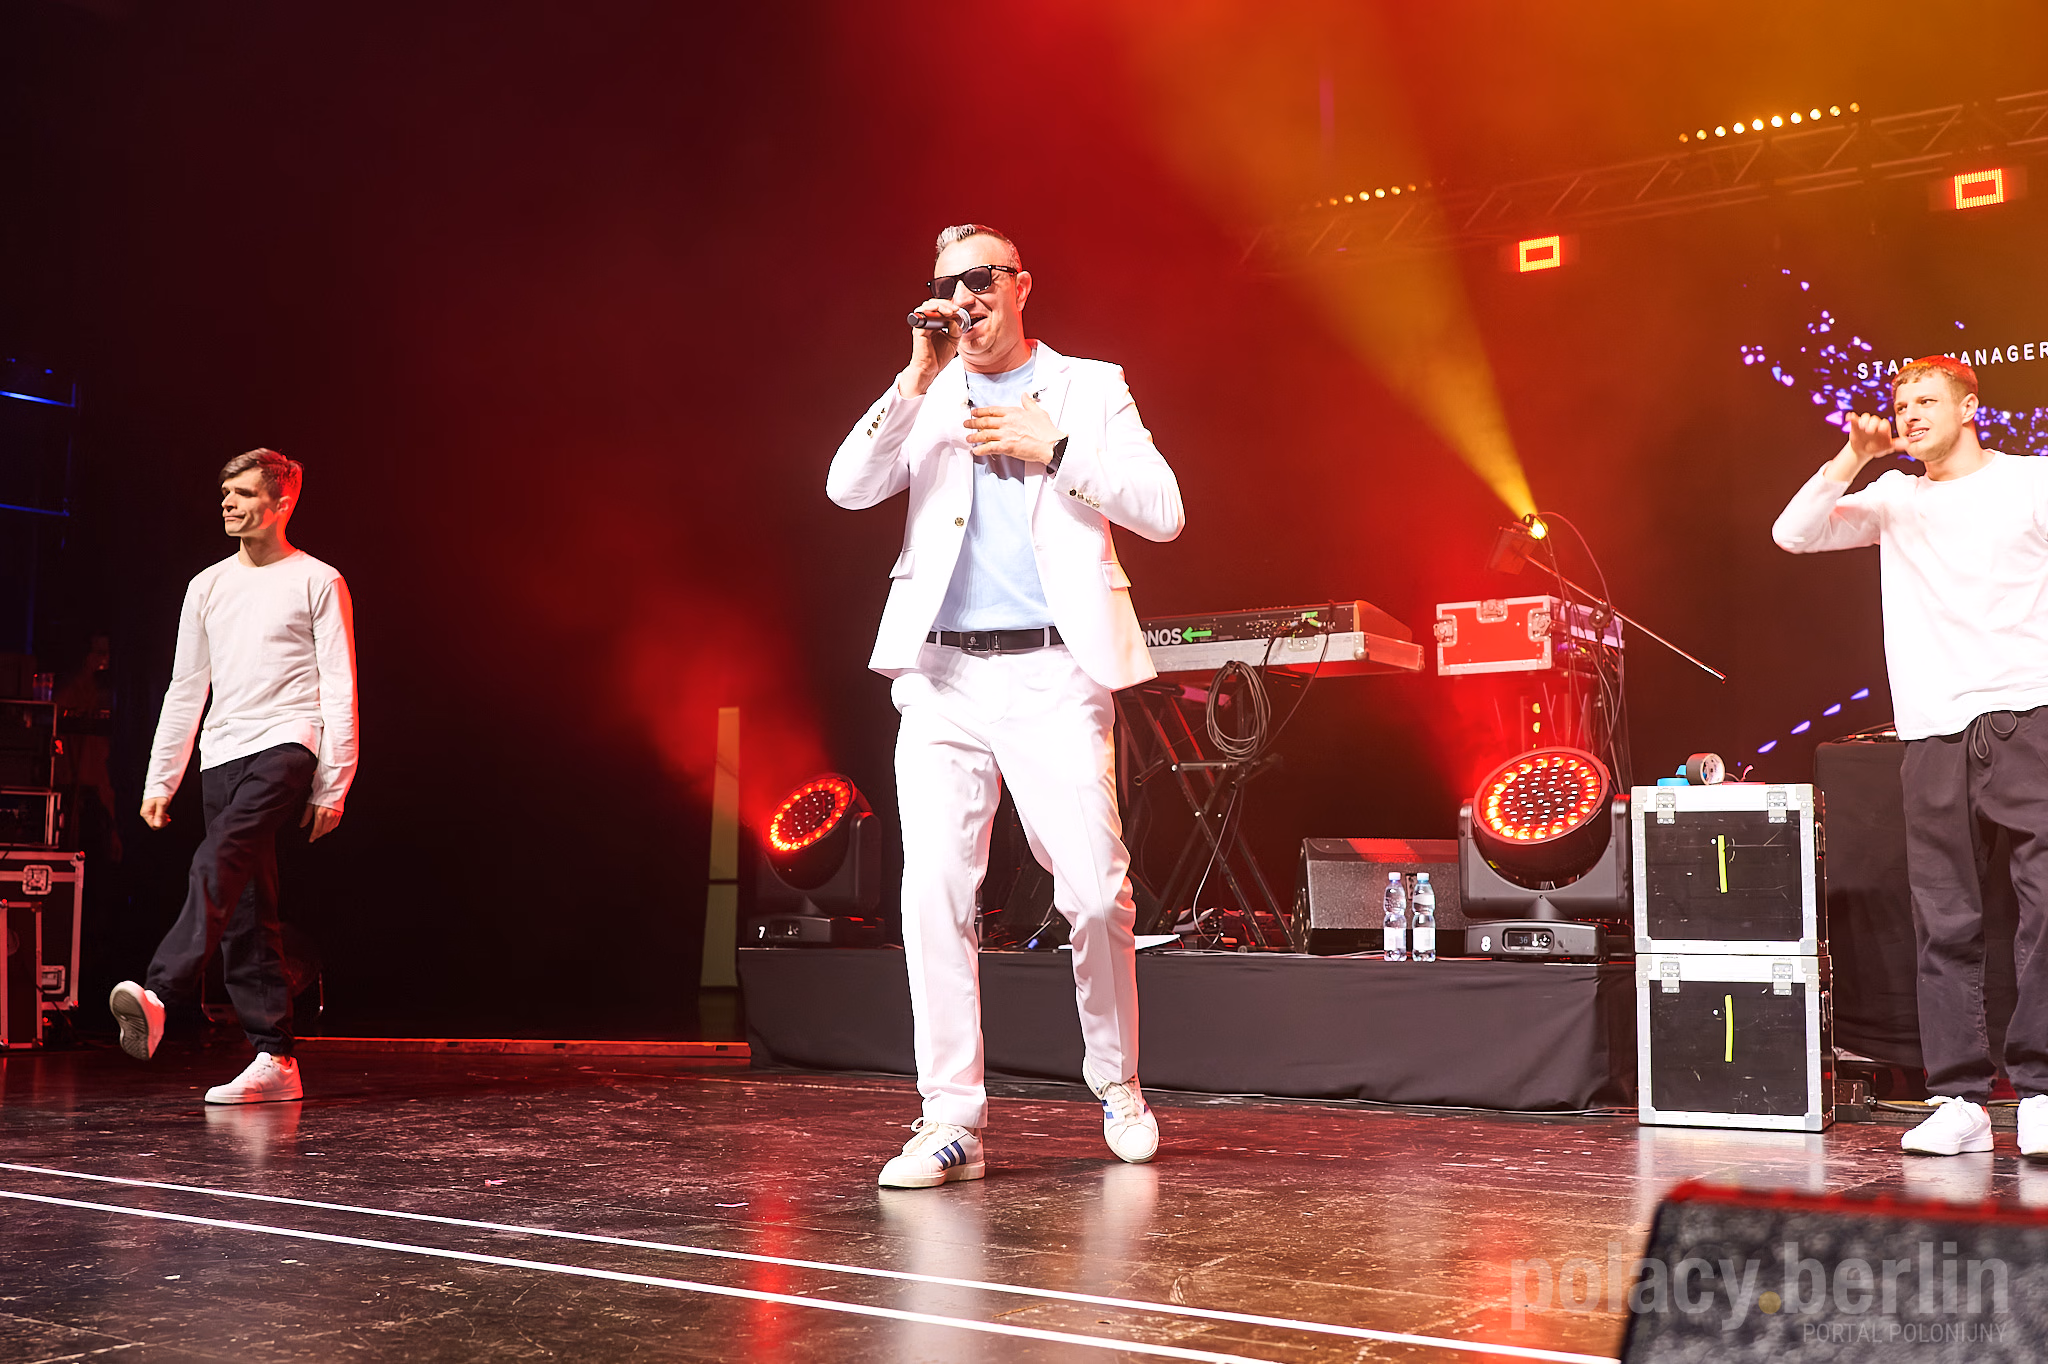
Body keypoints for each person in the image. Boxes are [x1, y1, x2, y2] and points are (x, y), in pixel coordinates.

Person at [827, 224, 1184, 1187]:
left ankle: (1118, 1083)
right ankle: (951, 1119)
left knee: (1095, 894)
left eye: (982, 278)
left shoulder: (1089, 388)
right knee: (934, 893)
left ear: (1023, 286)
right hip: (941, 676)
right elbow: (847, 488)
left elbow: (1163, 509)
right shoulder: (929, 392)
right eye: (948, 283)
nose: (965, 297)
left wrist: (1054, 446)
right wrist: (913, 379)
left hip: (1054, 673)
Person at [1773, 356, 2048, 1157]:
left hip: (2029, 713)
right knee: (1944, 917)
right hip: (1932, 729)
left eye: (1928, 400)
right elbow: (1793, 533)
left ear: (1970, 408)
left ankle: (2039, 1091)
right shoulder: (1895, 496)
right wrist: (1853, 456)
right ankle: (1960, 1099)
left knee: (2044, 906)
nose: (1911, 414)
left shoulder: (2030, 480)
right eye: (1901, 405)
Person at [110, 448, 358, 1104]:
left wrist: (333, 783)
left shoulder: (318, 580)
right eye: (226, 492)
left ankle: (160, 991)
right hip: (222, 753)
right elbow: (186, 686)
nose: (228, 502)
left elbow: (340, 685)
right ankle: (276, 1057)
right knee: (247, 905)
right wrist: (161, 779)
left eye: (244, 493)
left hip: (288, 743)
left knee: (217, 856)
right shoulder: (207, 586)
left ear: (282, 503)